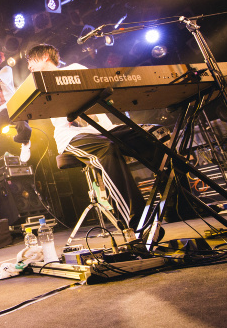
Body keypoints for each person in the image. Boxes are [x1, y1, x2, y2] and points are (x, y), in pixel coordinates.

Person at [26, 44, 160, 230]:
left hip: (105, 130)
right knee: (106, 148)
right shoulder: (37, 84)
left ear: (44, 57)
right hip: (72, 136)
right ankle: (137, 223)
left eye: (31, 61)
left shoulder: (74, 69)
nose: (29, 66)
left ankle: (177, 205)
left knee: (155, 136)